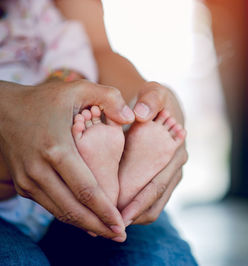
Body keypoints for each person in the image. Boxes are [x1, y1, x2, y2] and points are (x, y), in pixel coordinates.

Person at [0, 0, 197, 264]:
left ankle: (114, 182)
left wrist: (143, 98)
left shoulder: (41, 17)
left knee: (158, 257)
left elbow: (96, 48)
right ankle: (106, 180)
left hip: (67, 166)